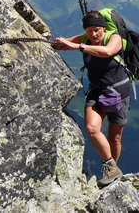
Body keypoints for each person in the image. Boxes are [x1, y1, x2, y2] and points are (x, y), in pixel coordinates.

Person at [54, 10, 131, 187]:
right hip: (97, 91)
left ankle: (114, 170)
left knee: (115, 138)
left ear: (104, 28)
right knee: (92, 128)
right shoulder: (84, 38)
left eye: (97, 30)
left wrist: (78, 46)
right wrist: (56, 43)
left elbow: (107, 51)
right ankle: (111, 167)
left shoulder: (115, 38)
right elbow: (62, 44)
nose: (94, 34)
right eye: (89, 31)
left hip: (118, 93)